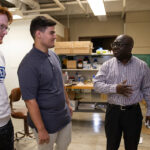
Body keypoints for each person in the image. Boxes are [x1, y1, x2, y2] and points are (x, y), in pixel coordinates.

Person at [17, 16, 72, 150]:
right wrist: (41, 129)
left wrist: (68, 104)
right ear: (38, 34)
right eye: (51, 33)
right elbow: (30, 101)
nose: (55, 36)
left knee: (64, 146)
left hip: (64, 117)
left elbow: (60, 82)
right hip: (46, 123)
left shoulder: (53, 55)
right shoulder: (28, 65)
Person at [94, 34, 150, 150]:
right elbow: (96, 85)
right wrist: (115, 88)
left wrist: (149, 111)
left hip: (133, 113)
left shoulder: (142, 66)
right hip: (113, 113)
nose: (114, 47)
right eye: (113, 44)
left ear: (130, 47)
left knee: (131, 146)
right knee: (111, 146)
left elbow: (147, 89)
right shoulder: (107, 65)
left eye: (118, 45)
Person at [0, 6, 14, 150]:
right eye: (1, 27)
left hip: (5, 122)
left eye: (6, 28)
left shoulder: (1, 54)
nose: (5, 32)